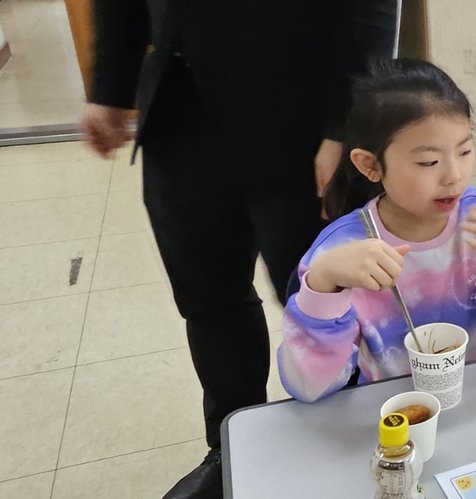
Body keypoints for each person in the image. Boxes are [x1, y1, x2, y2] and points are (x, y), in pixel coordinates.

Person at [78, 1, 396, 496]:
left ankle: (354, 446)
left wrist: (346, 123)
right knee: (209, 300)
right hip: (180, 113)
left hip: (300, 117)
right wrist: (109, 89)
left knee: (326, 297)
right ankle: (232, 447)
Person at [278, 59, 476, 403]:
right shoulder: (341, 250)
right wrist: (324, 284)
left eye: (465, 151)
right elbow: (307, 388)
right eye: (428, 162)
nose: (454, 176)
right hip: (406, 414)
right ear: (370, 165)